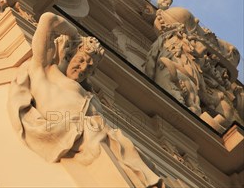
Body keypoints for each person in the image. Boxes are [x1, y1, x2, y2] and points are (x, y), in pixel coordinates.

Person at [8, 12, 162, 188]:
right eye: (80, 60)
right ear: (69, 55)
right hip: (76, 135)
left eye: (89, 67)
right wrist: (74, 35)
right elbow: (48, 19)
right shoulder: (44, 71)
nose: (82, 68)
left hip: (105, 141)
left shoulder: (87, 95)